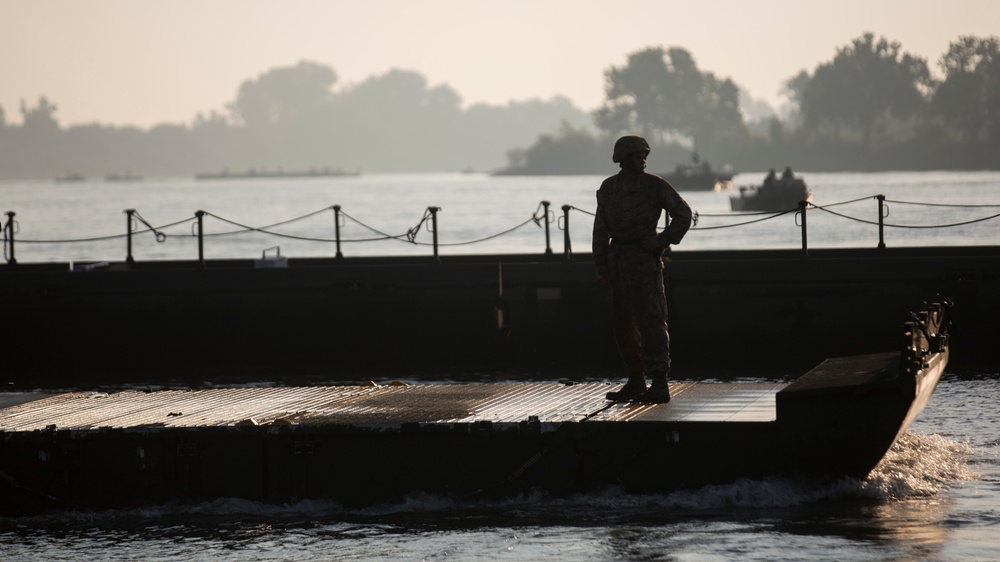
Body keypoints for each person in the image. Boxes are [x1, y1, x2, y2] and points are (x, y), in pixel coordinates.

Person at [593, 135, 693, 403]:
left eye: (644, 156)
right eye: (638, 156)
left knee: (652, 322)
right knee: (623, 325)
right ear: (624, 160)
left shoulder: (655, 186)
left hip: (645, 262)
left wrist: (661, 240)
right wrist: (602, 266)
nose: (643, 161)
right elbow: (600, 231)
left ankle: (659, 382)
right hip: (618, 264)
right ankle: (636, 380)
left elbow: (684, 214)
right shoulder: (607, 189)